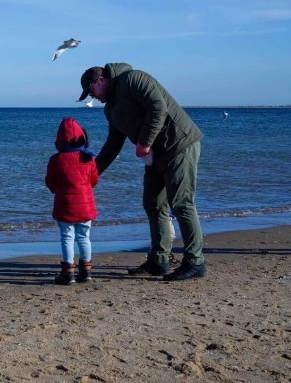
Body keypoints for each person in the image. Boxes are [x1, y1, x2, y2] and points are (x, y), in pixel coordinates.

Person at [78, 63, 206, 281]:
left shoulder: (134, 79)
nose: (92, 96)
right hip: (155, 155)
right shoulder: (110, 109)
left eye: (91, 91)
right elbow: (113, 144)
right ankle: (159, 260)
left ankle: (195, 261)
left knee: (182, 203)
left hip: (179, 144)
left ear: (100, 81)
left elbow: (159, 108)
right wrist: (91, 174)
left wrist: (144, 142)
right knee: (153, 204)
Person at [45, 117, 100, 285]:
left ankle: (68, 272)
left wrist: (58, 190)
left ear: (59, 140)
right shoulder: (88, 158)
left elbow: (50, 181)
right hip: (86, 204)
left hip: (65, 204)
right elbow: (94, 180)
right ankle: (86, 271)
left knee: (67, 237)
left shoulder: (56, 159)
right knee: (84, 237)